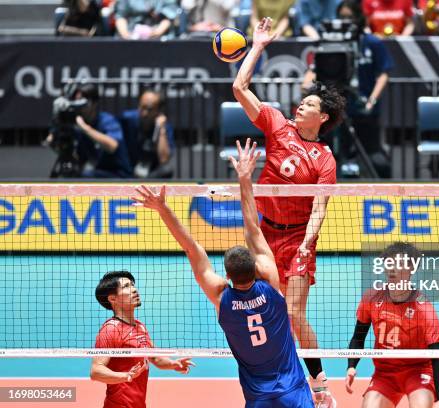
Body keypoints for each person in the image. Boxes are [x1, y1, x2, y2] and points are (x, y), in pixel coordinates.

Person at [133, 139, 315, 407]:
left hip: (258, 396)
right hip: (293, 390)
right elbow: (252, 225)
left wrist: (163, 209)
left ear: (227, 277)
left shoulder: (222, 297)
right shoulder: (270, 281)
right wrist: (245, 177)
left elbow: (191, 249)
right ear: (256, 267)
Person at [232, 16, 346, 408]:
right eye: (303, 101)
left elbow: (320, 208)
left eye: (310, 104)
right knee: (269, 309)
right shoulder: (277, 126)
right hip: (265, 235)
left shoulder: (325, 160)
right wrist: (259, 45)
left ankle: (319, 382)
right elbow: (239, 87)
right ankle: (279, 375)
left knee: (294, 311)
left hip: (299, 236)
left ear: (323, 117)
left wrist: (306, 245)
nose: (301, 105)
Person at [345, 242, 439, 408]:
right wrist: (351, 366)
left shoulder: (424, 308)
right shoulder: (372, 298)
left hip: (417, 371)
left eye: (399, 264)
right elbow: (358, 337)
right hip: (385, 374)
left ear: (411, 270)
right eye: (389, 263)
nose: (392, 269)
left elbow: (437, 357)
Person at [302, 1, 394, 177]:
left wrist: (371, 100)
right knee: (329, 157)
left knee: (375, 158)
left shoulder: (372, 43)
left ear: (359, 17)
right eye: (342, 17)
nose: (346, 21)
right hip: (334, 112)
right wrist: (307, 88)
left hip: (362, 109)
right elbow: (314, 70)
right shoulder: (327, 45)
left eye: (350, 17)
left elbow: (384, 73)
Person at [91, 270, 194, 408]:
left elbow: (155, 358)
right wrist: (126, 376)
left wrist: (174, 364)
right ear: (112, 299)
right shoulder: (110, 329)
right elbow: (96, 372)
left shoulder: (140, 326)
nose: (134, 289)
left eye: (133, 285)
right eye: (126, 286)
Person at [48, 83, 132, 178]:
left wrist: (85, 128)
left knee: (84, 176)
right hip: (96, 172)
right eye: (75, 102)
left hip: (118, 176)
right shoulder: (76, 124)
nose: (79, 107)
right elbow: (56, 143)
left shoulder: (107, 121)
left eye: (82, 103)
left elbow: (112, 146)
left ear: (94, 103)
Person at [120, 89, 175, 178]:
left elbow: (164, 160)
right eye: (142, 107)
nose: (144, 113)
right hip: (127, 171)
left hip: (149, 176)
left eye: (149, 109)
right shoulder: (127, 119)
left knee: (167, 170)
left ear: (158, 111)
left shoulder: (165, 127)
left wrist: (161, 129)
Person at [114, 0, 180, 39]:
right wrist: (126, 35)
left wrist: (157, 32)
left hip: (159, 37)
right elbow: (120, 16)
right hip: (131, 36)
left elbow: (169, 15)